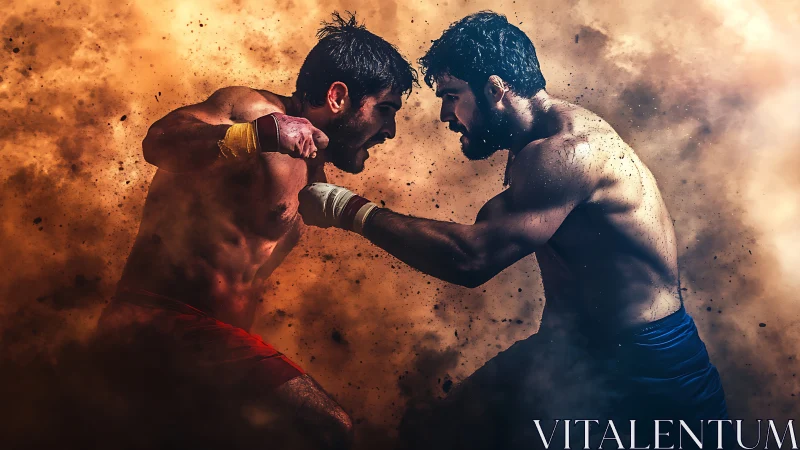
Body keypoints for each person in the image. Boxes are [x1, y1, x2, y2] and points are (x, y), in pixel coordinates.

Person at [298, 11, 728, 449]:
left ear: (494, 89)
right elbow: (485, 229)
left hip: (645, 370)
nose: (446, 115)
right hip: (569, 352)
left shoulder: (568, 153)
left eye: (451, 96)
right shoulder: (532, 146)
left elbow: (472, 257)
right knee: (433, 431)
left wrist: (345, 207)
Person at [94, 12, 416, 450]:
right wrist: (256, 135)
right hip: (159, 322)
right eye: (385, 110)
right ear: (338, 96)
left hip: (214, 343)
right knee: (327, 428)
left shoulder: (313, 165)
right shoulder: (252, 110)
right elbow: (159, 142)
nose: (391, 130)